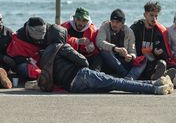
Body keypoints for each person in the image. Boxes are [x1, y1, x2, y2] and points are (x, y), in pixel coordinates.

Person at [37, 18, 174, 95]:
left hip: (72, 87)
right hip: (81, 75)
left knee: (115, 85)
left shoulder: (45, 55)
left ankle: (152, 83)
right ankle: (155, 88)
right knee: (118, 83)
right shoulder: (62, 46)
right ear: (62, 36)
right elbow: (83, 61)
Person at [96, 9, 146, 80]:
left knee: (144, 59)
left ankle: (130, 77)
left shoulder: (129, 32)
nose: (114, 24)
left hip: (123, 61)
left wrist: (130, 56)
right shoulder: (104, 27)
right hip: (109, 61)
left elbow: (133, 51)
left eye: (117, 22)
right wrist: (115, 48)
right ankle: (125, 75)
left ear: (122, 23)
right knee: (104, 51)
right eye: (112, 21)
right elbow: (99, 42)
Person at [130, 1, 173, 81]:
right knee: (144, 60)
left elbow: (165, 54)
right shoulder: (136, 28)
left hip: (152, 62)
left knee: (162, 62)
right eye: (151, 15)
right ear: (145, 15)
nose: (154, 19)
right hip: (138, 61)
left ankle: (157, 76)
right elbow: (128, 45)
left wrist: (159, 52)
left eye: (156, 16)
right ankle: (158, 76)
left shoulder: (159, 32)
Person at [6, 17, 50, 81]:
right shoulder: (19, 37)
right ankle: (43, 77)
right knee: (25, 68)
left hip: (43, 61)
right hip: (25, 63)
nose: (38, 41)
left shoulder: (50, 31)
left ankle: (47, 76)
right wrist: (26, 60)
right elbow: (14, 57)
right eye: (35, 38)